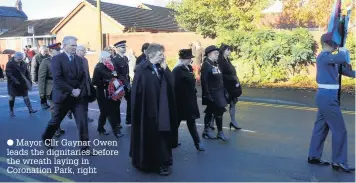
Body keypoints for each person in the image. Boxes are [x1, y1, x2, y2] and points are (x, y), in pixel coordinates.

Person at [307, 33, 355, 173]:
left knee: (321, 127)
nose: (336, 45)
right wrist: (344, 50)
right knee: (340, 130)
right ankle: (339, 162)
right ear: (328, 43)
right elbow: (341, 57)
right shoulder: (323, 57)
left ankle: (314, 156)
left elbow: (347, 71)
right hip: (327, 97)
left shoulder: (331, 60)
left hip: (326, 97)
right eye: (334, 43)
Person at [130, 43, 178, 176]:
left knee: (163, 136)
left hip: (162, 109)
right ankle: (151, 164)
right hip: (147, 111)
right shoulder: (141, 69)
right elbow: (138, 93)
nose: (162, 57)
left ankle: (163, 162)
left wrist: (166, 68)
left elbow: (171, 83)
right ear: (150, 55)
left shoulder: (160, 67)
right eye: (160, 55)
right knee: (151, 138)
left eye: (163, 54)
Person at [41, 36, 91, 152]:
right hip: (63, 96)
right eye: (72, 45)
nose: (74, 48)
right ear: (64, 46)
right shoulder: (57, 59)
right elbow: (58, 79)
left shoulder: (79, 59)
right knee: (56, 121)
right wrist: (71, 90)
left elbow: (84, 77)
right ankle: (46, 137)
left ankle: (85, 147)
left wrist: (79, 90)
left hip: (78, 97)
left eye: (75, 45)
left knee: (82, 121)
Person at [173, 49, 205, 151]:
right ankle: (173, 141)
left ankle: (197, 143)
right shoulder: (177, 71)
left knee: (191, 122)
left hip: (190, 99)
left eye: (190, 58)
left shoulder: (189, 68)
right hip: (181, 101)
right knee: (176, 123)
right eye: (188, 59)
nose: (190, 60)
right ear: (182, 59)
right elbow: (173, 86)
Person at [92, 51, 125, 138]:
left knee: (104, 112)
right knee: (110, 112)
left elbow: (114, 76)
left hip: (112, 92)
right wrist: (106, 82)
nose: (110, 58)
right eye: (108, 57)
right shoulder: (98, 67)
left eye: (110, 57)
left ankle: (100, 128)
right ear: (103, 58)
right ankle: (116, 131)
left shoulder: (110, 67)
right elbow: (94, 81)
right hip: (103, 93)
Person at [200, 45, 228, 141]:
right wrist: (207, 95)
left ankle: (206, 131)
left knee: (210, 112)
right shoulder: (206, 65)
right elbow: (204, 81)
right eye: (216, 53)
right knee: (218, 112)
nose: (217, 55)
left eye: (218, 53)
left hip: (219, 92)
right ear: (209, 54)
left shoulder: (215, 64)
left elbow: (219, 78)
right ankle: (219, 132)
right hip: (212, 94)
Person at [38, 43, 65, 137]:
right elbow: (41, 78)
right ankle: (54, 129)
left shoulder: (62, 60)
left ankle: (58, 127)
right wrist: (42, 94)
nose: (59, 51)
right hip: (51, 89)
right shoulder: (46, 62)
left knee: (60, 109)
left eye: (59, 50)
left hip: (62, 88)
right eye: (56, 50)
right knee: (54, 109)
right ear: (50, 51)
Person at [217, 44, 242, 130]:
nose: (229, 51)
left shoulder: (228, 60)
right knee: (221, 106)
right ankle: (211, 122)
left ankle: (233, 121)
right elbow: (221, 74)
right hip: (225, 86)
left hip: (231, 86)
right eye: (228, 50)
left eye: (230, 50)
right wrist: (232, 78)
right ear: (223, 50)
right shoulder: (220, 61)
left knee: (232, 103)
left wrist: (235, 79)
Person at [6, 52, 37, 117]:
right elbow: (9, 74)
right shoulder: (10, 64)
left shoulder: (24, 63)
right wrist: (15, 81)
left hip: (23, 82)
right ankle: (11, 111)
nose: (20, 60)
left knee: (26, 96)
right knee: (12, 97)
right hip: (13, 84)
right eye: (18, 59)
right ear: (15, 57)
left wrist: (29, 81)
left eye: (21, 59)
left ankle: (30, 109)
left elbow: (27, 73)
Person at [112, 40, 131, 125]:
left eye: (125, 47)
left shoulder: (125, 58)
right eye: (122, 47)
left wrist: (128, 82)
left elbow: (126, 72)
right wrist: (125, 83)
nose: (124, 49)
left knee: (130, 100)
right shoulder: (114, 59)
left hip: (126, 82)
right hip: (119, 83)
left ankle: (129, 119)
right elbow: (117, 74)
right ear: (117, 48)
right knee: (117, 104)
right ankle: (117, 123)